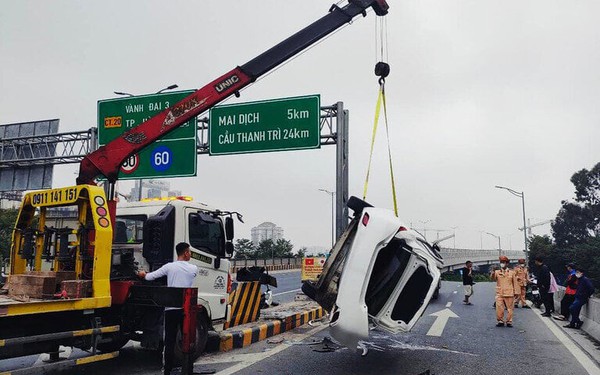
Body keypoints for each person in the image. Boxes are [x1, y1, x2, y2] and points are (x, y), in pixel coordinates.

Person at [138, 242, 198, 375]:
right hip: (186, 310)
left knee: (169, 341)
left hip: (171, 309)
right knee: (187, 340)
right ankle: (188, 369)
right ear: (186, 253)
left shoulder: (169, 267)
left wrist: (142, 274)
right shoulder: (194, 268)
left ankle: (167, 370)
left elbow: (150, 277)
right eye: (189, 252)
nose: (190, 254)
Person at [491, 256, 519, 327]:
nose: (502, 264)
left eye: (503, 262)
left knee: (510, 308)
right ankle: (500, 320)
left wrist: (517, 292)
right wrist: (493, 272)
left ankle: (509, 321)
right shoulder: (497, 272)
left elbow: (515, 282)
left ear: (507, 264)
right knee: (499, 307)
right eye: (501, 262)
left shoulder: (512, 273)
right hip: (499, 292)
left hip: (509, 293)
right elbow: (493, 279)